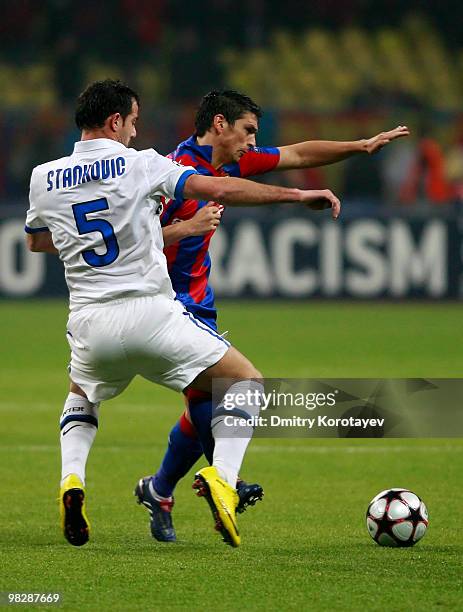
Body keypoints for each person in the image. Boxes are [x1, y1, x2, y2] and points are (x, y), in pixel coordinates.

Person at [25, 79, 341, 548]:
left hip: (89, 324)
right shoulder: (144, 163)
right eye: (132, 122)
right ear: (116, 121)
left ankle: (73, 480)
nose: (135, 131)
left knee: (82, 396)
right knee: (244, 380)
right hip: (152, 315)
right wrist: (296, 197)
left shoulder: (42, 177)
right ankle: (225, 480)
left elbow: (36, 242)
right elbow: (218, 187)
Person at [146, 89, 410, 542]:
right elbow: (140, 239)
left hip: (197, 302)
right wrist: (187, 228)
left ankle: (161, 489)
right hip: (159, 302)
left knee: (207, 400)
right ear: (220, 125)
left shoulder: (231, 161)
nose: (254, 141)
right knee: (218, 392)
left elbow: (298, 152)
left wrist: (360, 145)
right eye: (248, 130)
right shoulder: (175, 173)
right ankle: (223, 482)